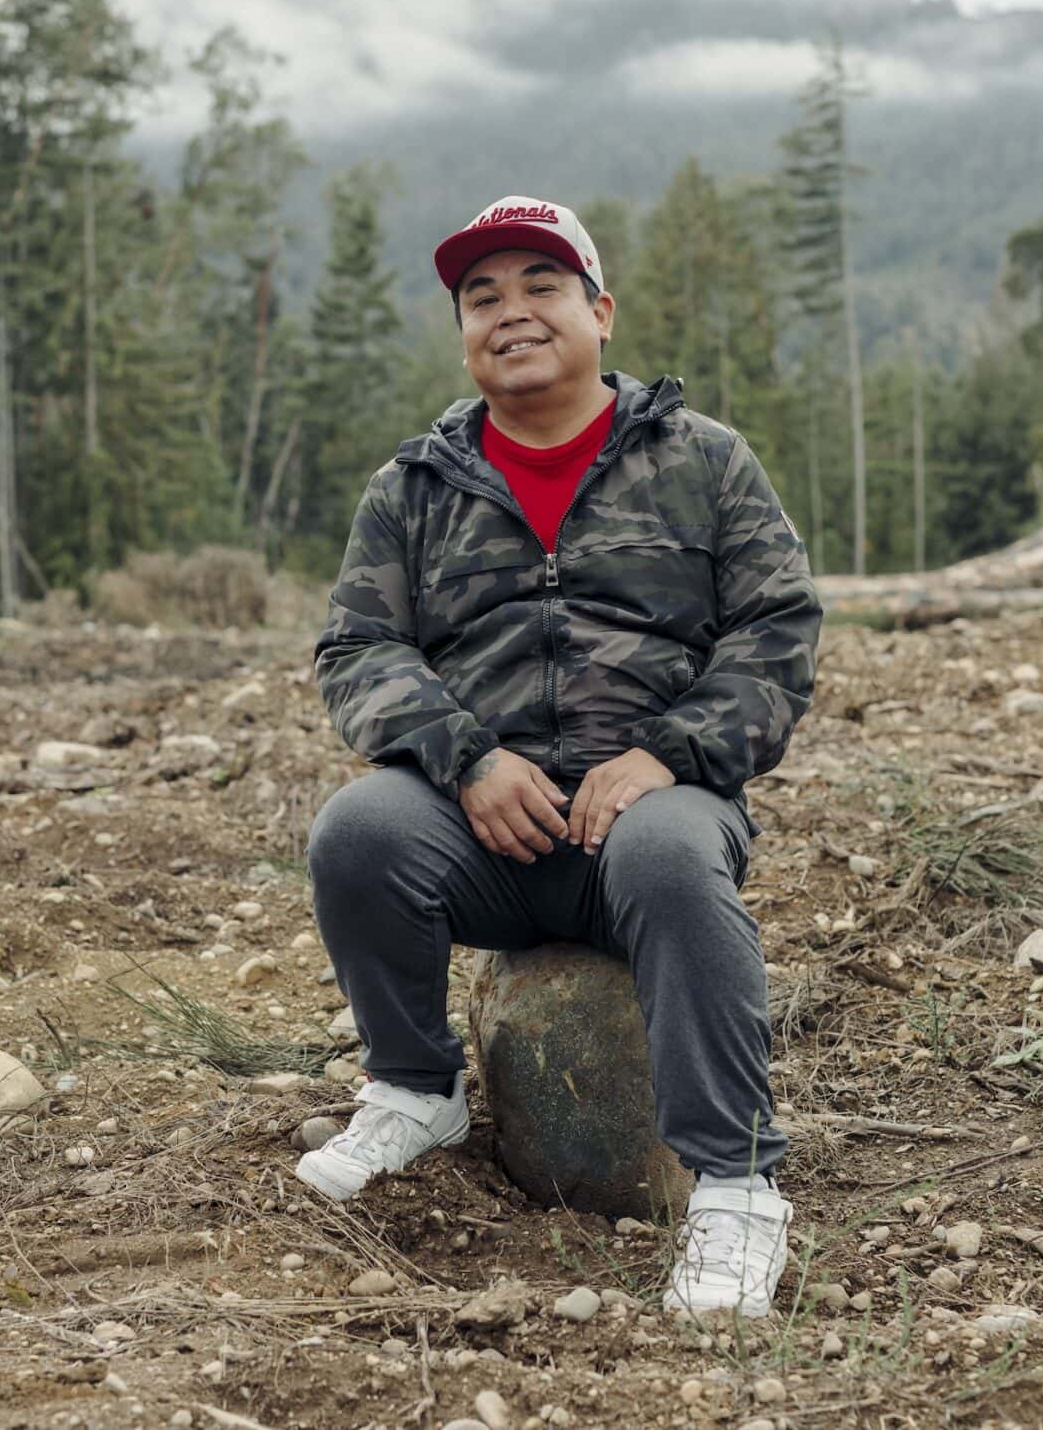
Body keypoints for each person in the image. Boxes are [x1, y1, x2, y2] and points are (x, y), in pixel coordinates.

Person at [297, 195, 822, 1318]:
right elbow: (356, 645)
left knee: (676, 857)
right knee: (358, 832)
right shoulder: (416, 488)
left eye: (541, 286)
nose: (511, 312)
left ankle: (733, 1191)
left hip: (649, 821)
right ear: (462, 333)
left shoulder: (705, 464)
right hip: (485, 835)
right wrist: (465, 757)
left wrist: (667, 754)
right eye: (481, 296)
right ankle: (415, 1086)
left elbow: (776, 636)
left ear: (601, 312)